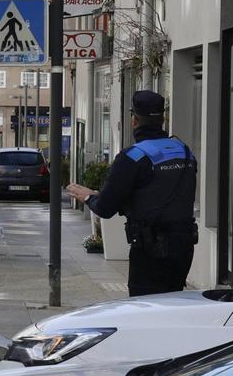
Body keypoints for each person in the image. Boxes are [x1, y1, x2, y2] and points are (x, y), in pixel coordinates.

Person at [67, 90, 197, 297]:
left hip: (150, 248)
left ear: (134, 120)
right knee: (174, 302)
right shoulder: (184, 151)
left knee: (145, 307)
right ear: (162, 119)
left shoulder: (133, 157)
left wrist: (90, 196)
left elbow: (105, 208)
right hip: (183, 246)